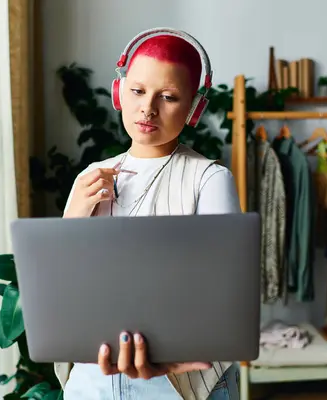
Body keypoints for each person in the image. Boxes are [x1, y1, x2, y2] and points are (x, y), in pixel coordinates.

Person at [60, 27, 242, 399]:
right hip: (91, 377)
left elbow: (224, 292)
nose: (148, 107)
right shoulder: (88, 178)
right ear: (118, 93)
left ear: (194, 109)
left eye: (169, 97)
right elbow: (60, 284)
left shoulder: (209, 179)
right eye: (138, 91)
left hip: (175, 382)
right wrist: (74, 217)